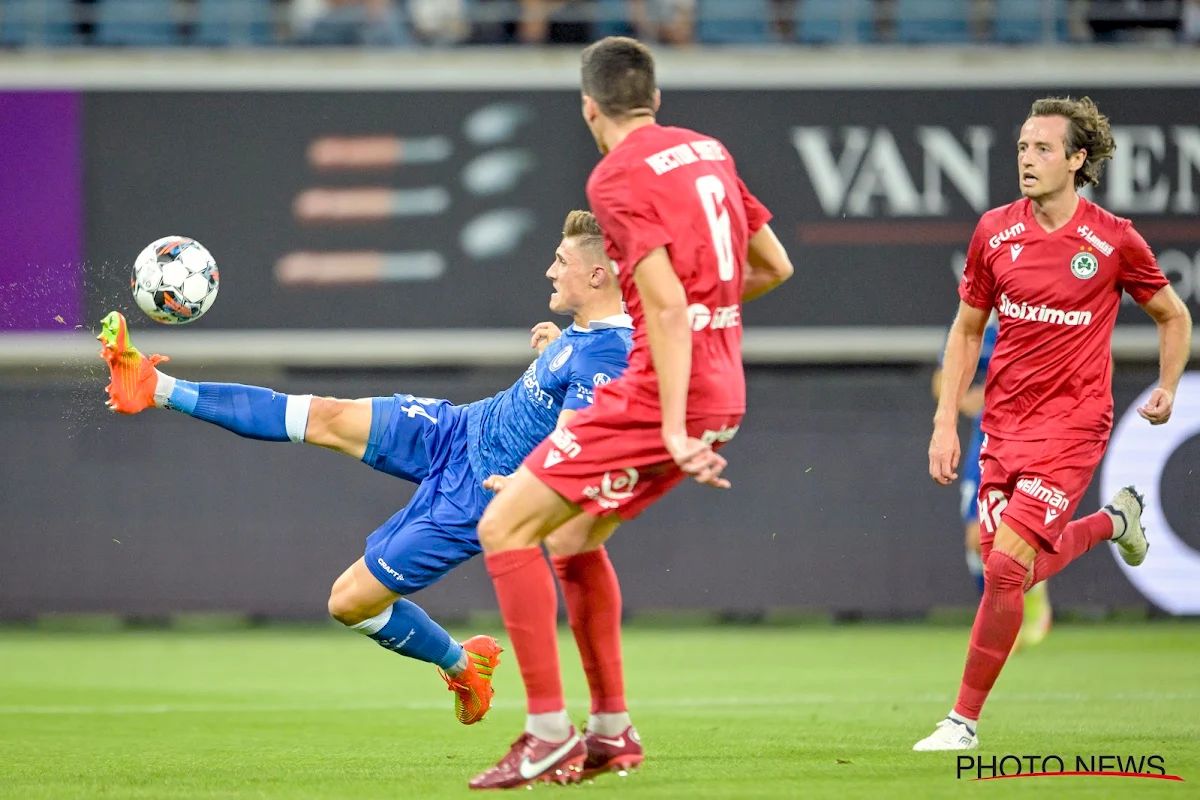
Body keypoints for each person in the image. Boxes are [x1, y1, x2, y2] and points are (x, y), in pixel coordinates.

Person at [97, 210, 634, 728]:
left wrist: (528, 484)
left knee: (348, 602)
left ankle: (462, 665)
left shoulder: (608, 351)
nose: (550, 269)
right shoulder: (584, 337)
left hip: (477, 495)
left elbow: (578, 438)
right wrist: (554, 348)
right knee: (325, 415)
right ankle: (155, 387)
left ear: (596, 273)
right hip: (460, 427)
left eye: (561, 260)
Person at [466, 36, 794, 790]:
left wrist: (672, 425)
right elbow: (773, 266)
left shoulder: (615, 175)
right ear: (655, 98)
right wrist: (702, 332)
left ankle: (547, 734)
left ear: (589, 108)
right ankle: (611, 731)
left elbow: (669, 308)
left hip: (660, 393)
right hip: (725, 386)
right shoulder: (707, 151)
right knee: (573, 537)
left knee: (503, 528)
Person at [916, 96, 1192, 751]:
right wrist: (944, 424)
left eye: (1043, 149)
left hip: (1072, 427)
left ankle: (962, 722)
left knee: (1006, 572)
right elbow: (966, 330)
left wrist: (1168, 385)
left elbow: (1173, 315)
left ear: (1077, 159)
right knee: (1006, 568)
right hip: (1003, 428)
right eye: (1021, 148)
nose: (1028, 160)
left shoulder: (1113, 239)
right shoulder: (994, 233)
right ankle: (1112, 522)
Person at [932, 314, 1053, 650]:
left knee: (1019, 536)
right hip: (987, 439)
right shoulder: (974, 322)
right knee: (976, 538)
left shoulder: (1041, 316)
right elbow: (942, 378)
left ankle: (1023, 608)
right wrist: (960, 399)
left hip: (1034, 434)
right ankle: (998, 614)